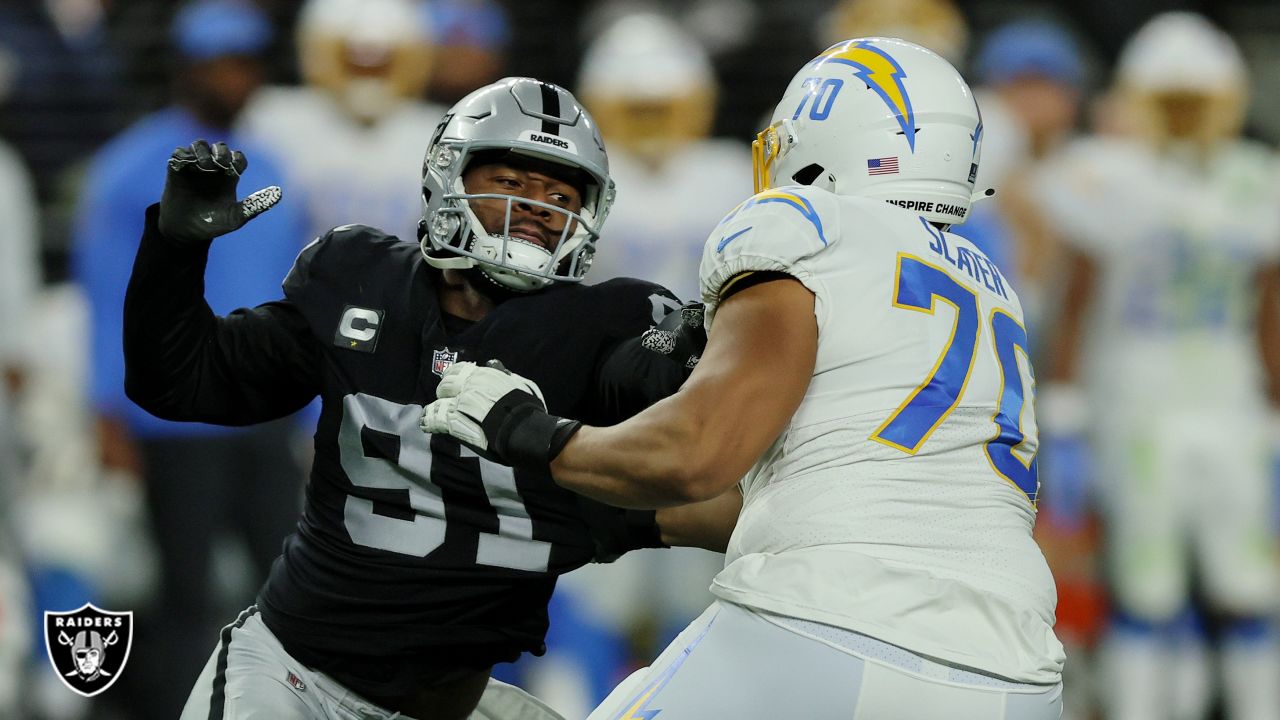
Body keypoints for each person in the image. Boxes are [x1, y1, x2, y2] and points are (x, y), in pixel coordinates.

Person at [425, 38, 1065, 718]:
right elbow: (841, 496)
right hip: (1015, 672)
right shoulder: (988, 282)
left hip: (828, 628)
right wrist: (623, 518)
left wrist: (533, 435)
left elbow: (698, 452)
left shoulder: (806, 222)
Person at [122, 76, 734, 720]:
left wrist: (706, 343)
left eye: (559, 194)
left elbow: (680, 415)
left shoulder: (604, 326)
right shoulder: (360, 277)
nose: (537, 206)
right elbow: (179, 382)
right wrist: (174, 250)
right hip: (296, 684)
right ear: (450, 176)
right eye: (513, 182)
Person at [1032, 12, 1280, 720]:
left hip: (1228, 397)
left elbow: (1268, 308)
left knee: (1249, 583)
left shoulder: (1255, 179)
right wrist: (1069, 408)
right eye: (1170, 101)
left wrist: (1275, 411)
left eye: (1195, 102)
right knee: (1147, 586)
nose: (1183, 118)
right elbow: (1076, 299)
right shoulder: (1104, 174)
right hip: (1134, 397)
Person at [69, 1, 311, 717]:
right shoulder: (130, 168)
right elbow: (106, 294)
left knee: (287, 584)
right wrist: (107, 408)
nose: (235, 78)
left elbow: (290, 293)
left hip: (263, 414)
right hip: (173, 421)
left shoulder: (272, 168)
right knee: (184, 592)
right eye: (220, 64)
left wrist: (313, 406)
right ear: (187, 69)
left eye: (246, 64)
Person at [239, 0, 444, 246]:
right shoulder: (270, 120)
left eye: (382, 59)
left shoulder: (437, 131)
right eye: (355, 58)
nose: (369, 63)